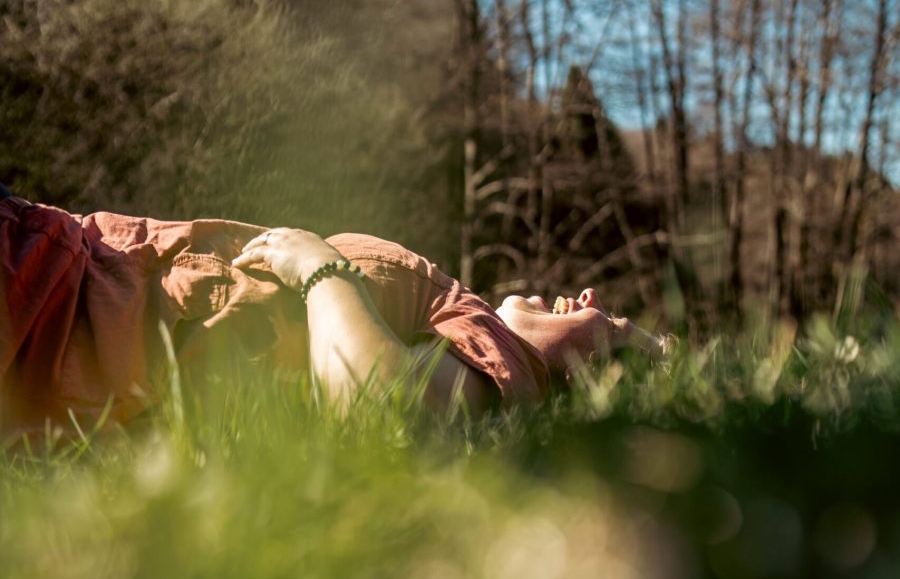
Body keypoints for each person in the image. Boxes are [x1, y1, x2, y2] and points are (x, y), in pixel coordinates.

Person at [0, 189, 662, 435]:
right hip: (54, 263)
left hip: (49, 306)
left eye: (614, 326)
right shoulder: (471, 322)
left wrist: (322, 270)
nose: (593, 300)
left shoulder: (503, 361)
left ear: (599, 378)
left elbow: (384, 409)